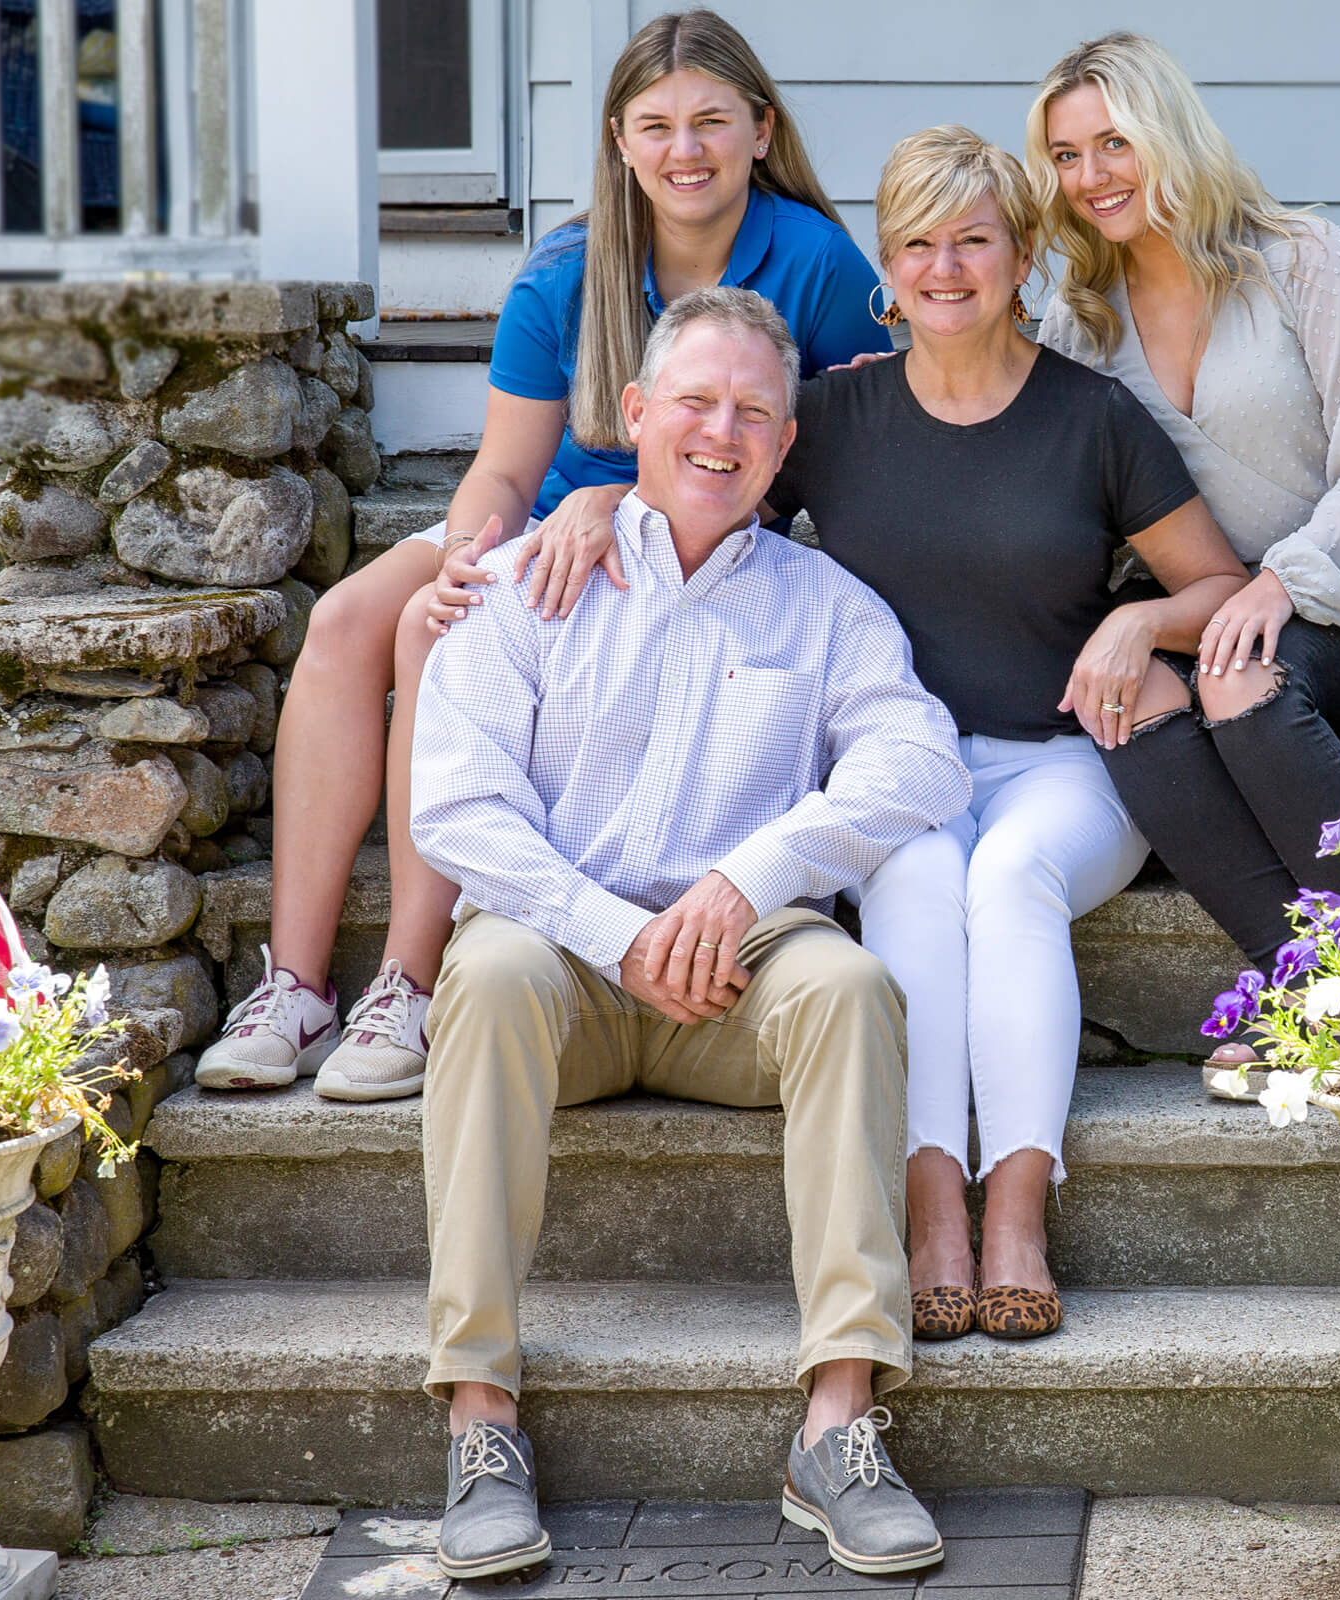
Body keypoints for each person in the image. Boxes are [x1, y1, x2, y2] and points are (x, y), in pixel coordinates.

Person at [472, 128, 1248, 1343]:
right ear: (883, 264)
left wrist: (1142, 620)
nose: (947, 269)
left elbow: (1223, 587)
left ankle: (1018, 1214)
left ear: (1024, 254)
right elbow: (706, 478)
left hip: (1062, 762)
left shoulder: (1094, 419)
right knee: (921, 877)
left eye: (974, 240)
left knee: (1009, 874)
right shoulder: (832, 415)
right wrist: (590, 495)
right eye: (918, 244)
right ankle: (933, 1203)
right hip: (896, 768)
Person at [194, 8, 887, 1102]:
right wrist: (470, 558)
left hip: (688, 528)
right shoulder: (568, 265)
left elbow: (804, 464)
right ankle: (294, 982)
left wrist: (622, 498)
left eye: (711, 122)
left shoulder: (817, 263)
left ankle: (411, 984)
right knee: (350, 622)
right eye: (655, 125)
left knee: (443, 646)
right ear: (617, 139)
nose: (684, 150)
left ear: (761, 130)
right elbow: (507, 472)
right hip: (543, 526)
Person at [409, 288, 968, 1582]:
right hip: (564, 964)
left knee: (851, 986)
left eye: (755, 414)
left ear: (783, 447)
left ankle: (838, 1424)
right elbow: (455, 806)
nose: (723, 432)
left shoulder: (826, 608)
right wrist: (615, 931)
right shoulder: (525, 581)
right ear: (638, 416)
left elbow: (920, 761)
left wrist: (747, 878)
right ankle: (481, 1416)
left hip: (742, 977)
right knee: (482, 971)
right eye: (698, 403)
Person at [1030, 32, 1340, 1093]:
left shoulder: (1303, 258)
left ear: (1166, 132)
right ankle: (1307, 979)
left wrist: (1277, 585)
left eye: (1113, 143)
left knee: (1234, 675)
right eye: (1068, 156)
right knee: (1129, 693)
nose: (1092, 177)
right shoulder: (1081, 319)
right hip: (1203, 606)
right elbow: (1024, 446)